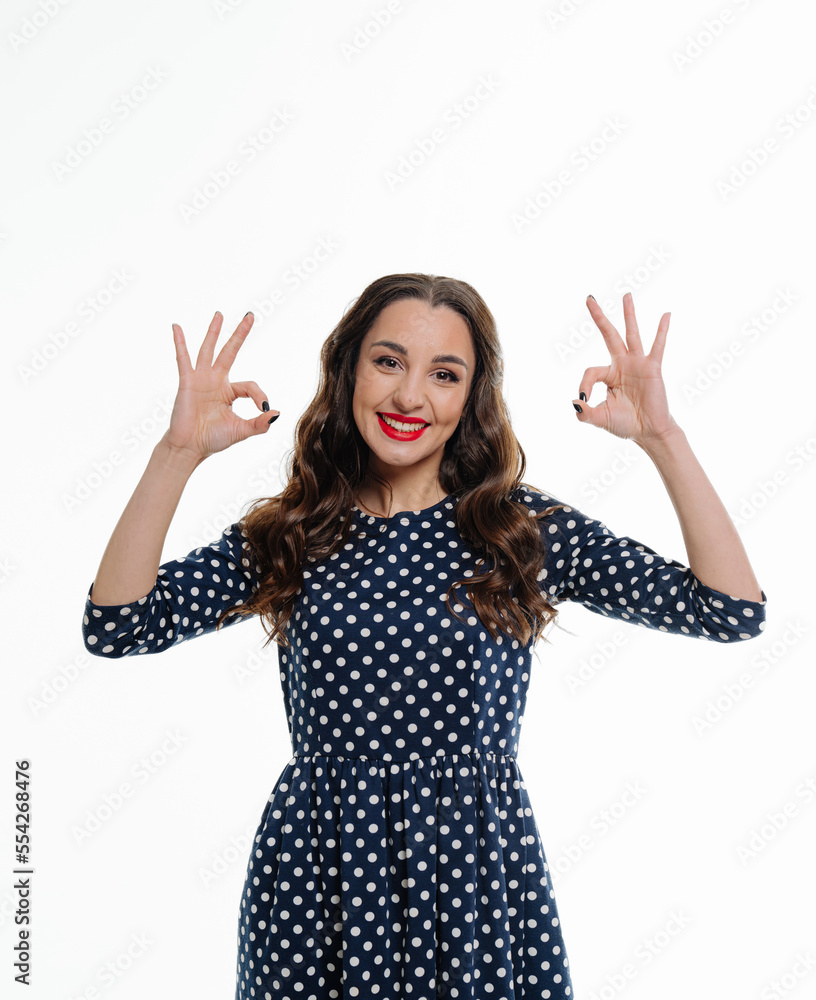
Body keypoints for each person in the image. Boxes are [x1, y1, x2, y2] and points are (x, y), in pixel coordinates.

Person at [81, 273, 767, 1000]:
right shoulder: (293, 531)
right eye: (388, 361)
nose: (410, 396)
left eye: (445, 374)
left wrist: (663, 438)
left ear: (471, 398)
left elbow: (729, 610)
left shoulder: (515, 530)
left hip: (475, 879)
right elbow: (118, 624)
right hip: (322, 885)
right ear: (348, 369)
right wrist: (177, 453)